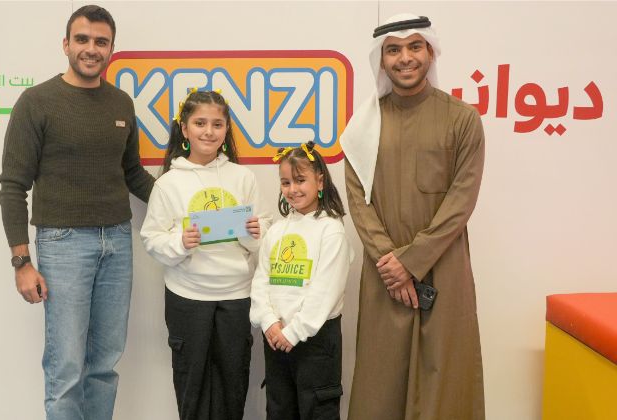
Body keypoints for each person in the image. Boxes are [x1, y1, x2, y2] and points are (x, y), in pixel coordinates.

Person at [0, 5, 155, 420]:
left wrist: (184, 204)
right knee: (66, 369)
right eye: (82, 39)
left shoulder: (120, 103)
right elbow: (13, 186)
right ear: (65, 44)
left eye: (101, 42)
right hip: (63, 244)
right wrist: (21, 262)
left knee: (104, 365)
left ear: (111, 49)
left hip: (117, 242)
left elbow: (133, 175)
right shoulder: (36, 102)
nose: (91, 49)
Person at [340, 13, 486, 420]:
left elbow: (461, 201)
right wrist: (392, 263)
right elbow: (358, 201)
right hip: (384, 274)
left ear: (430, 52)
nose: (405, 58)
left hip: (444, 267)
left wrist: (411, 261)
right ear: (381, 59)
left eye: (414, 46)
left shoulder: (462, 119)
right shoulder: (362, 127)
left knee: (445, 380)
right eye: (393, 50)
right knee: (381, 382)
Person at [140, 89, 268, 420]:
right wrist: (180, 243)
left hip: (236, 296)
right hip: (188, 297)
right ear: (184, 129)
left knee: (233, 384)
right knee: (191, 385)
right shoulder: (168, 183)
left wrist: (254, 233)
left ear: (226, 130)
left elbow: (261, 238)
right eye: (200, 123)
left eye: (217, 124)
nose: (209, 131)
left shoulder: (243, 177)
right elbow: (152, 238)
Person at [250, 142, 353, 420]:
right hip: (276, 340)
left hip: (316, 344)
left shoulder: (331, 230)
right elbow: (261, 281)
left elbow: (325, 293)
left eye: (300, 180)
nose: (292, 189)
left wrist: (294, 332)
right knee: (279, 410)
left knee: (317, 411)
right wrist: (268, 322)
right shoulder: (277, 231)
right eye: (286, 182)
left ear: (320, 181)